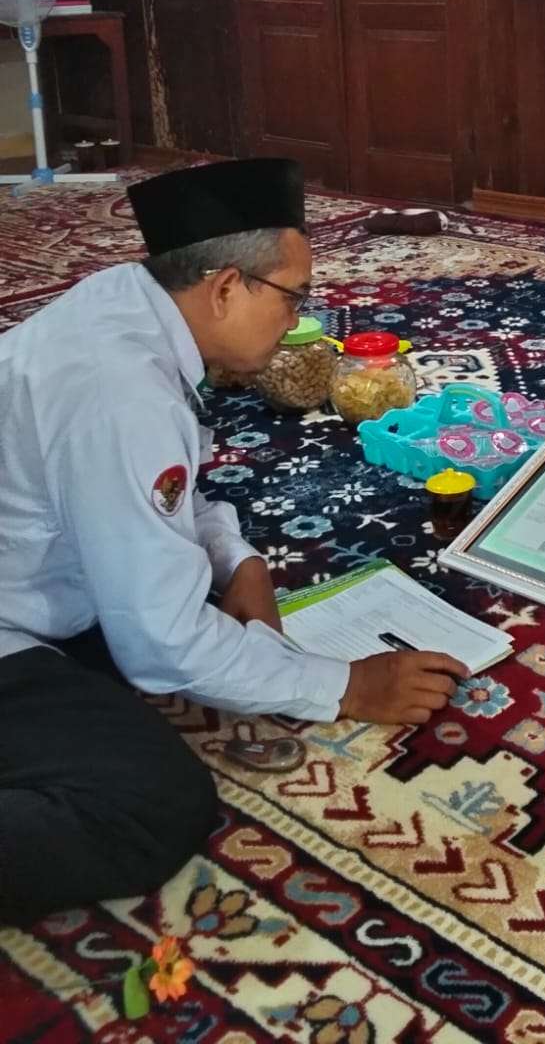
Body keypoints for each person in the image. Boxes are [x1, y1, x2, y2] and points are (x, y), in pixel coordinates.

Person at [0, 158, 465, 928]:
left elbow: (164, 483)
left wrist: (235, 557)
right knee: (151, 800)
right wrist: (344, 686)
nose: (298, 320)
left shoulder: (126, 306)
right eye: (293, 298)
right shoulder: (122, 394)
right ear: (223, 288)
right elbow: (160, 642)